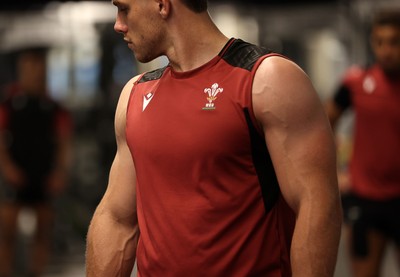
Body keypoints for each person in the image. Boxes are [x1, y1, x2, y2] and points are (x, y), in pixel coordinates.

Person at [86, 0, 342, 276]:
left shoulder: (267, 80)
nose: (118, 24)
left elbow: (316, 205)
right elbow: (117, 219)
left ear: (162, 5)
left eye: (124, 9)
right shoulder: (135, 96)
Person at [325, 9, 400, 277]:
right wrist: (335, 172)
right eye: (380, 42)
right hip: (366, 200)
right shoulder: (356, 83)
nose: (386, 50)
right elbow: (326, 121)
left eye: (394, 42)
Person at [0, 47, 72, 277]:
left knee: (43, 231)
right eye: (29, 69)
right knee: (7, 231)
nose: (33, 74)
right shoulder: (10, 103)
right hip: (15, 175)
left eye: (37, 70)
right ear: (21, 72)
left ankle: (36, 272)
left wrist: (60, 172)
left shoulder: (54, 106)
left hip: (43, 174)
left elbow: (64, 141)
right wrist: (7, 167)